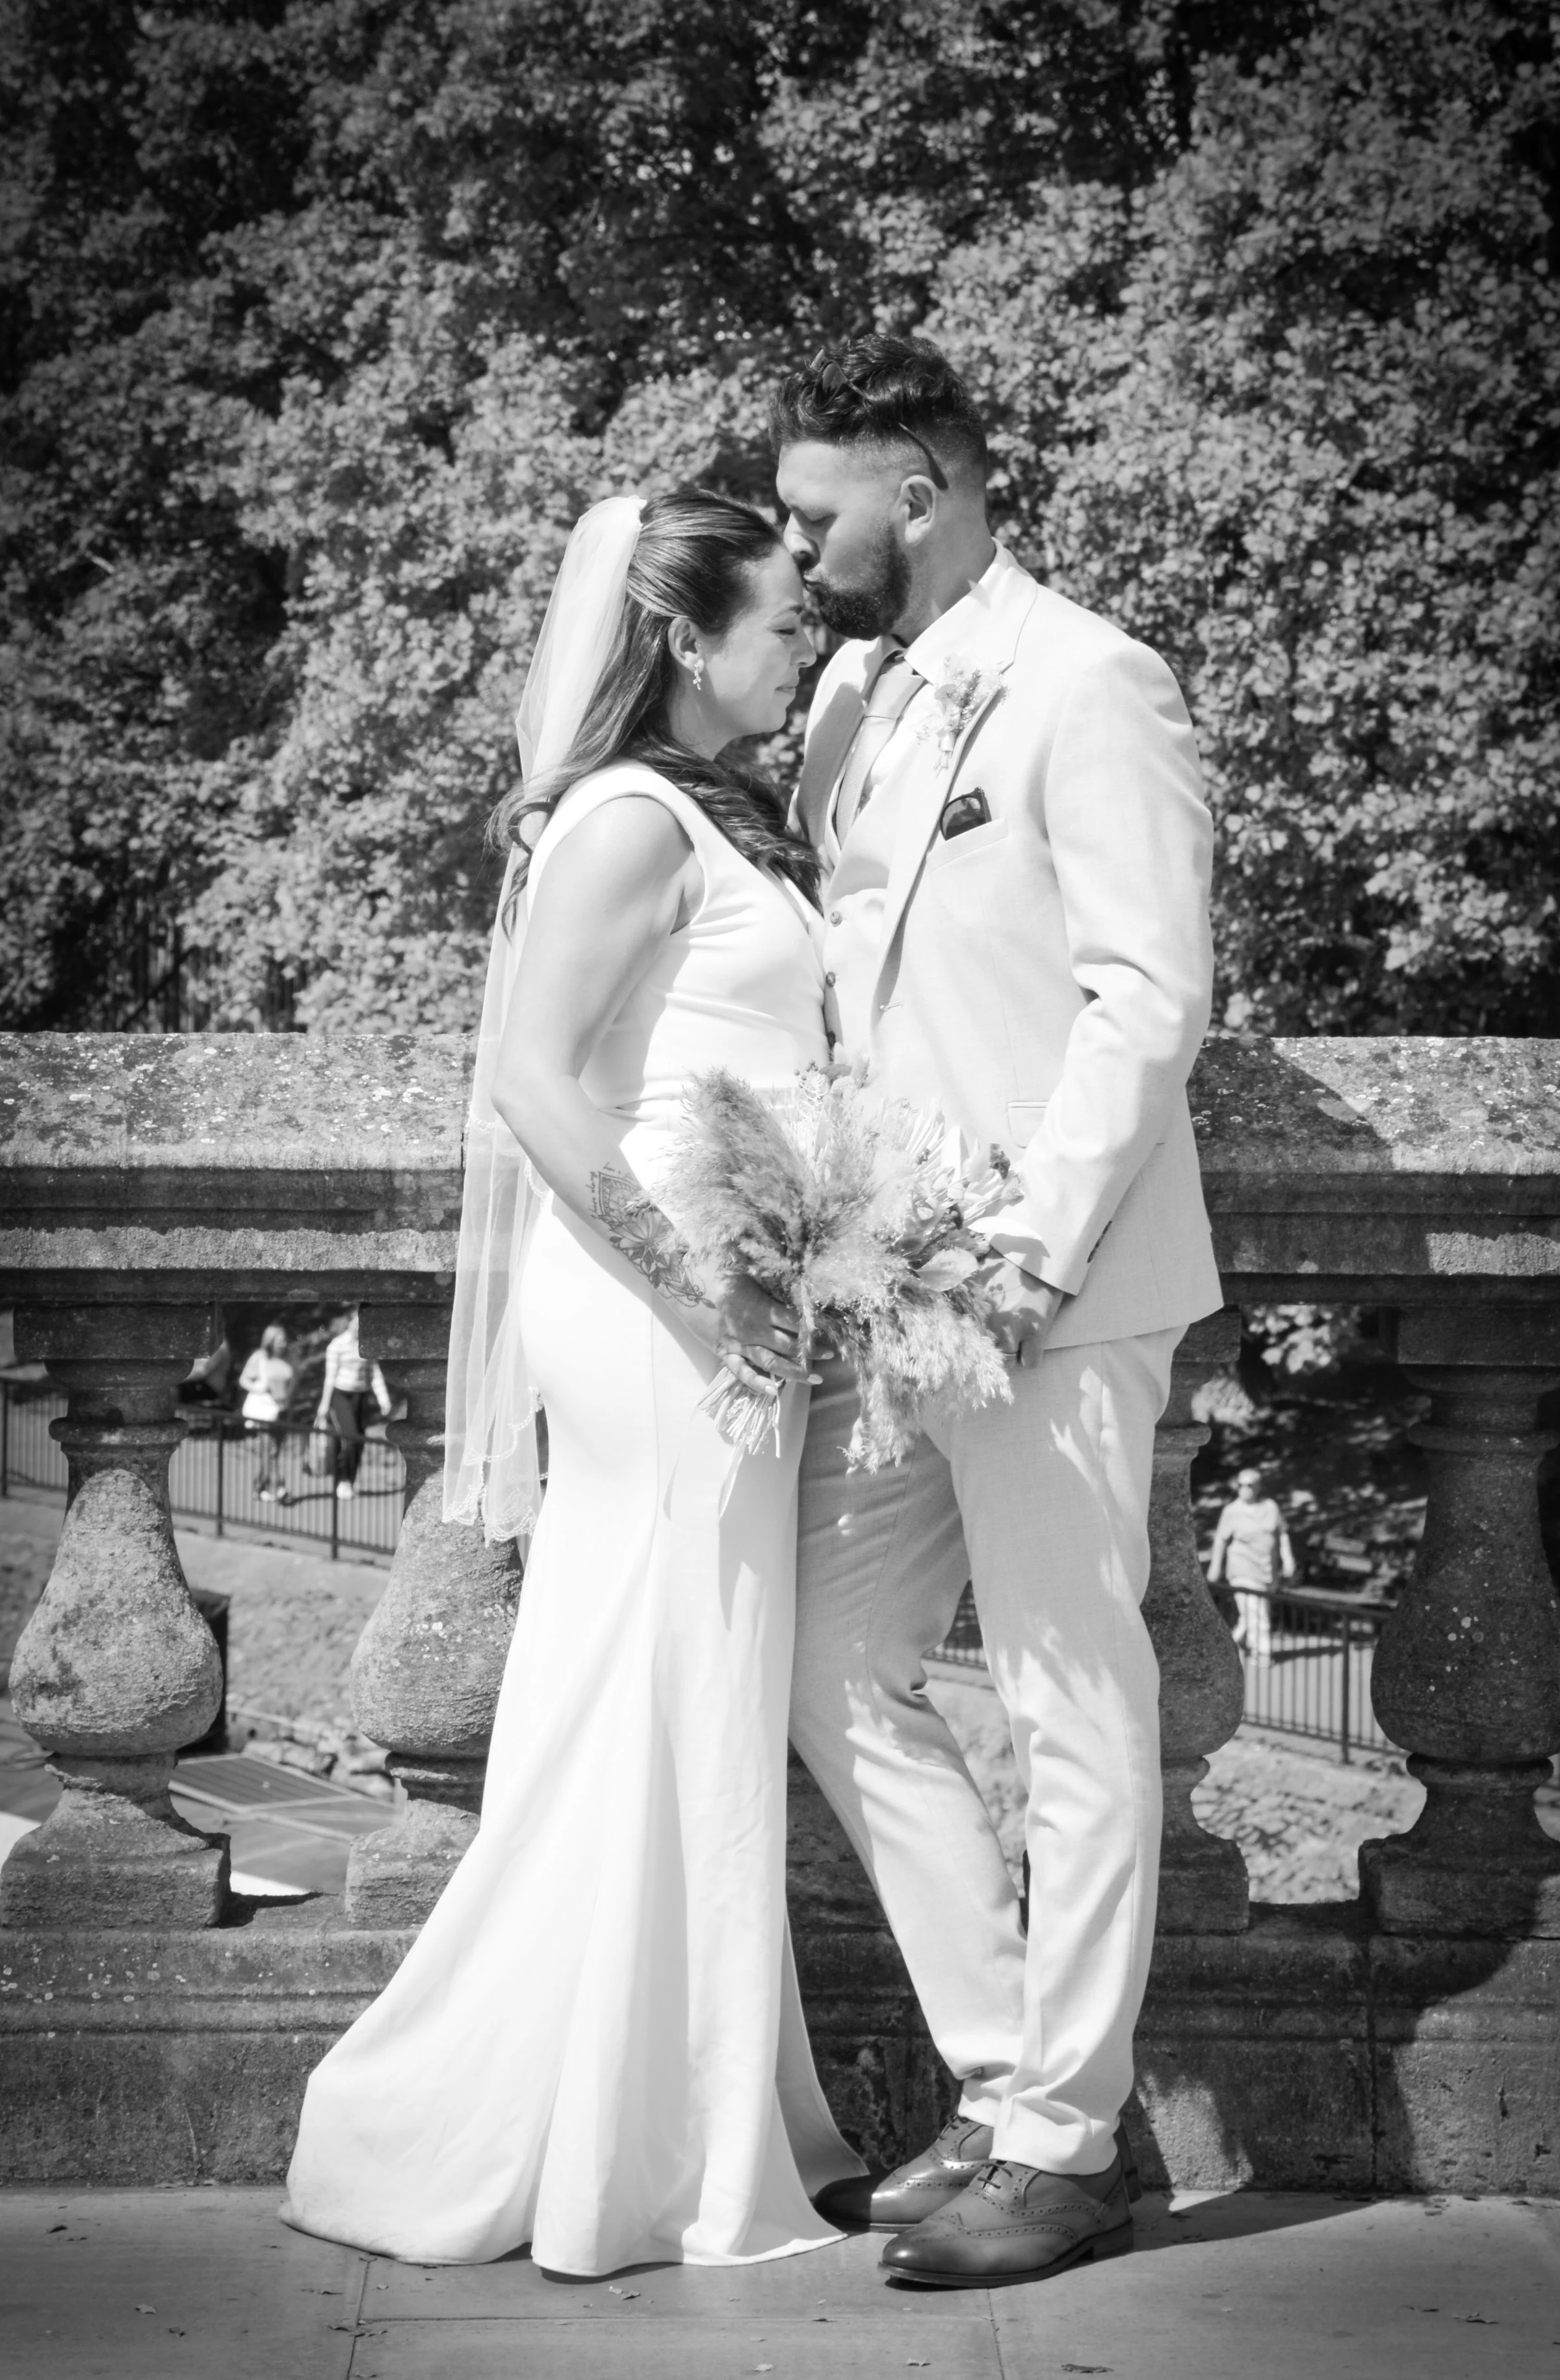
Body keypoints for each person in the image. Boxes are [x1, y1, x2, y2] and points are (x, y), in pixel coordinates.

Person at [282, 488, 865, 2273]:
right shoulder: (623, 817)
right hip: (656, 1310)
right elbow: (538, 1086)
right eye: (779, 622)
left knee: (672, 1678)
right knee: (669, 1665)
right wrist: (700, 1284)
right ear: (684, 638)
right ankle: (612, 2136)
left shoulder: (709, 810)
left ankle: (675, 2114)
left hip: (716, 1296)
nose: (805, 644)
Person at [773, 335, 1223, 2288]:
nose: (796, 554)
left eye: (816, 514)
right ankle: (997, 2067)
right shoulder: (855, 692)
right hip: (887, 1290)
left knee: (1066, 1694)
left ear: (920, 485)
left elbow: (1146, 991)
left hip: (1054, 1282)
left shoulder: (1092, 678)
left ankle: (1069, 2138)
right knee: (826, 1650)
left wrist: (1029, 1251)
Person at [1208, 1468, 1296, 1664]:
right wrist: (1215, 1566)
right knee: (1258, 1612)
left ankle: (1227, 1646)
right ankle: (1261, 1653)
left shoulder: (1271, 1507)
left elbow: (1282, 1534)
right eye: (1241, 1484)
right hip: (1242, 1567)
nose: (1244, 1489)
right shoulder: (1232, 1511)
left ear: (1259, 1487)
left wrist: (1288, 1558)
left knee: (1251, 1613)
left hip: (1266, 1569)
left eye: (1250, 1485)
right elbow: (1221, 1540)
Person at [313, 1313, 392, 1501]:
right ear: (349, 1324)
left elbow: (374, 1374)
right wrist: (324, 1405)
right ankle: (343, 1480)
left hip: (361, 1396)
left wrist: (384, 1399)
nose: (359, 1327)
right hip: (341, 1395)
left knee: (359, 1440)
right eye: (356, 1324)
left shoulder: (367, 1346)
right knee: (350, 1436)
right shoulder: (337, 1345)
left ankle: (351, 1479)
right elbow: (330, 1377)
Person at [238, 1323, 295, 1502]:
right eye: (279, 1341)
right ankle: (280, 1488)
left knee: (274, 1451)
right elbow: (244, 1380)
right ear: (270, 1342)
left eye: (284, 1340)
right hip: (265, 1411)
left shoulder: (290, 1358)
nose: (283, 1344)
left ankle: (259, 1486)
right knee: (270, 1449)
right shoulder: (260, 1358)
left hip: (282, 1410)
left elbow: (293, 1380)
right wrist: (259, 1388)